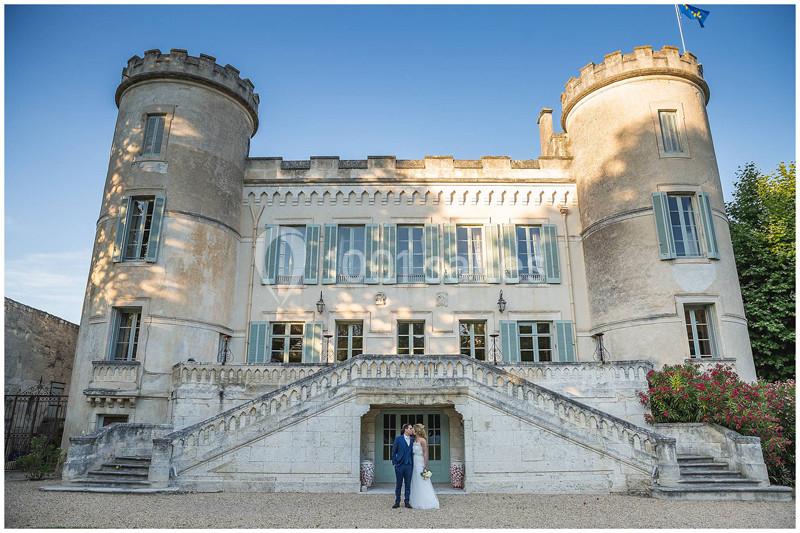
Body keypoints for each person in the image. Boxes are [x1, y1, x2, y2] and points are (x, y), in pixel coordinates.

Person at [409, 423, 440, 509]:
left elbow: (426, 453)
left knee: (422, 480)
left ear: (417, 431)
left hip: (420, 462)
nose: (412, 431)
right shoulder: (414, 440)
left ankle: (426, 500)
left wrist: (425, 465)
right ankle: (416, 499)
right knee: (415, 480)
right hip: (414, 462)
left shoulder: (423, 440)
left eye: (413, 429)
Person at [391, 423, 415, 508]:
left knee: (408, 484)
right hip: (399, 465)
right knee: (399, 484)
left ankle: (407, 502)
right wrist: (395, 462)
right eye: (410, 428)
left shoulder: (413, 440)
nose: (412, 430)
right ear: (405, 429)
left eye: (412, 428)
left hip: (409, 465)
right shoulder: (398, 439)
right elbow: (394, 451)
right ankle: (397, 502)